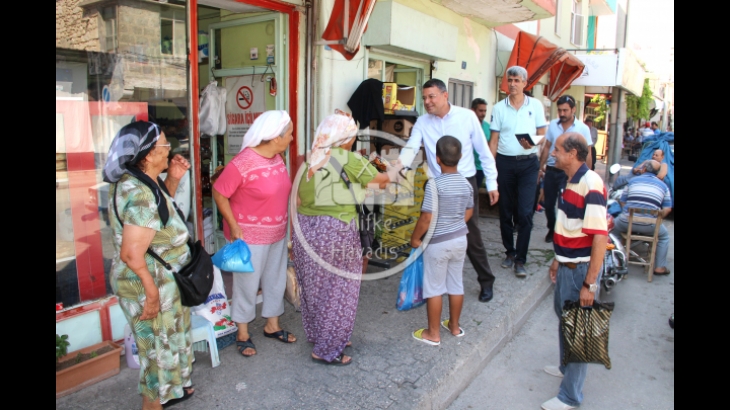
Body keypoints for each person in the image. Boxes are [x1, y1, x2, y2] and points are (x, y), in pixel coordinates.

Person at [293, 110, 397, 365]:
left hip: (306, 231)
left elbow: (297, 199)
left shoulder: (309, 160)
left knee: (316, 289)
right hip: (337, 231)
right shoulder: (348, 158)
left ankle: (323, 335)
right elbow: (382, 181)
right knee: (340, 290)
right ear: (344, 138)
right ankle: (327, 349)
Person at [104, 121, 195, 409]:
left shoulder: (143, 181)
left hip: (160, 280)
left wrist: (175, 179)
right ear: (147, 155)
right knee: (156, 356)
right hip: (147, 284)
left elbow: (158, 217)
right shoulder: (140, 192)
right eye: (164, 145)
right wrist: (152, 292)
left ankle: (169, 392)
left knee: (163, 348)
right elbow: (132, 253)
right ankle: (152, 404)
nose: (170, 150)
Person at [399, 79, 499, 303]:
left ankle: (486, 280)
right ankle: (430, 283)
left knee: (469, 234)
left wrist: (492, 183)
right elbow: (411, 148)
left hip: (464, 183)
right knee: (429, 229)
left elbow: (484, 151)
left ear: (445, 96)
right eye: (424, 98)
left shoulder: (467, 117)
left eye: (431, 96)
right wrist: (397, 169)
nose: (427, 102)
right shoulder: (423, 122)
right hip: (436, 184)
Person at [212, 110, 297, 358]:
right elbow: (219, 193)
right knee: (247, 286)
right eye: (289, 134)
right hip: (248, 237)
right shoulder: (241, 163)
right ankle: (243, 332)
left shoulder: (278, 157)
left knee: (275, 280)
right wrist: (233, 224)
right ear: (274, 137)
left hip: (277, 233)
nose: (291, 138)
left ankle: (272, 325)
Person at [541, 132, 608, 410]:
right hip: (567, 265)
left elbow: (600, 238)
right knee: (564, 319)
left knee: (579, 331)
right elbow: (569, 225)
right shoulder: (571, 180)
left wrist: (590, 284)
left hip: (580, 271)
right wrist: (558, 258)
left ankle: (570, 397)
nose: (552, 153)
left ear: (572, 154)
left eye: (557, 149)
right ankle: (565, 366)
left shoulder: (590, 183)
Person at [410, 136, 473, 346]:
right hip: (460, 240)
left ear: (437, 159)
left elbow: (426, 217)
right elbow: (470, 209)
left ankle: (433, 333)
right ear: (461, 157)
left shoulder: (434, 185)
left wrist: (415, 238)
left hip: (438, 243)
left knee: (434, 288)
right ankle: (454, 327)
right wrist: (456, 224)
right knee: (456, 284)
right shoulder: (466, 184)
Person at [489, 66, 547, 278]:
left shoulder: (536, 105)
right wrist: (490, 169)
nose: (512, 84)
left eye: (516, 80)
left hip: (528, 165)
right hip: (504, 164)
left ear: (525, 83)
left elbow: (543, 134)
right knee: (505, 211)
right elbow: (493, 141)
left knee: (524, 213)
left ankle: (521, 259)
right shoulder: (498, 108)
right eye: (510, 80)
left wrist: (531, 143)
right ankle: (509, 252)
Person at [539, 95, 593, 243]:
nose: (562, 114)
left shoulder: (583, 128)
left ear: (573, 110)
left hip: (570, 172)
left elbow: (588, 152)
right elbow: (547, 147)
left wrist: (587, 173)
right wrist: (540, 167)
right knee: (548, 204)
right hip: (552, 169)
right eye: (560, 110)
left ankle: (566, 233)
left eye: (565, 110)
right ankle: (552, 228)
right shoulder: (553, 125)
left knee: (567, 203)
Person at [612, 160, 672, 276]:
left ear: (644, 169)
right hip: (650, 225)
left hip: (627, 221)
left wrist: (631, 214)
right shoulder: (664, 187)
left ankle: (615, 261)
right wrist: (658, 219)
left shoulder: (632, 181)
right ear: (657, 173)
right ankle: (659, 267)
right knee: (664, 237)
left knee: (612, 230)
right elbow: (668, 209)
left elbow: (622, 201)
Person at [471, 98, 491, 189]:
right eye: (480, 111)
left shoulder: (488, 127)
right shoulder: (465, 125)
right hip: (466, 167)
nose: (483, 114)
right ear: (473, 110)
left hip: (480, 168)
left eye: (485, 111)